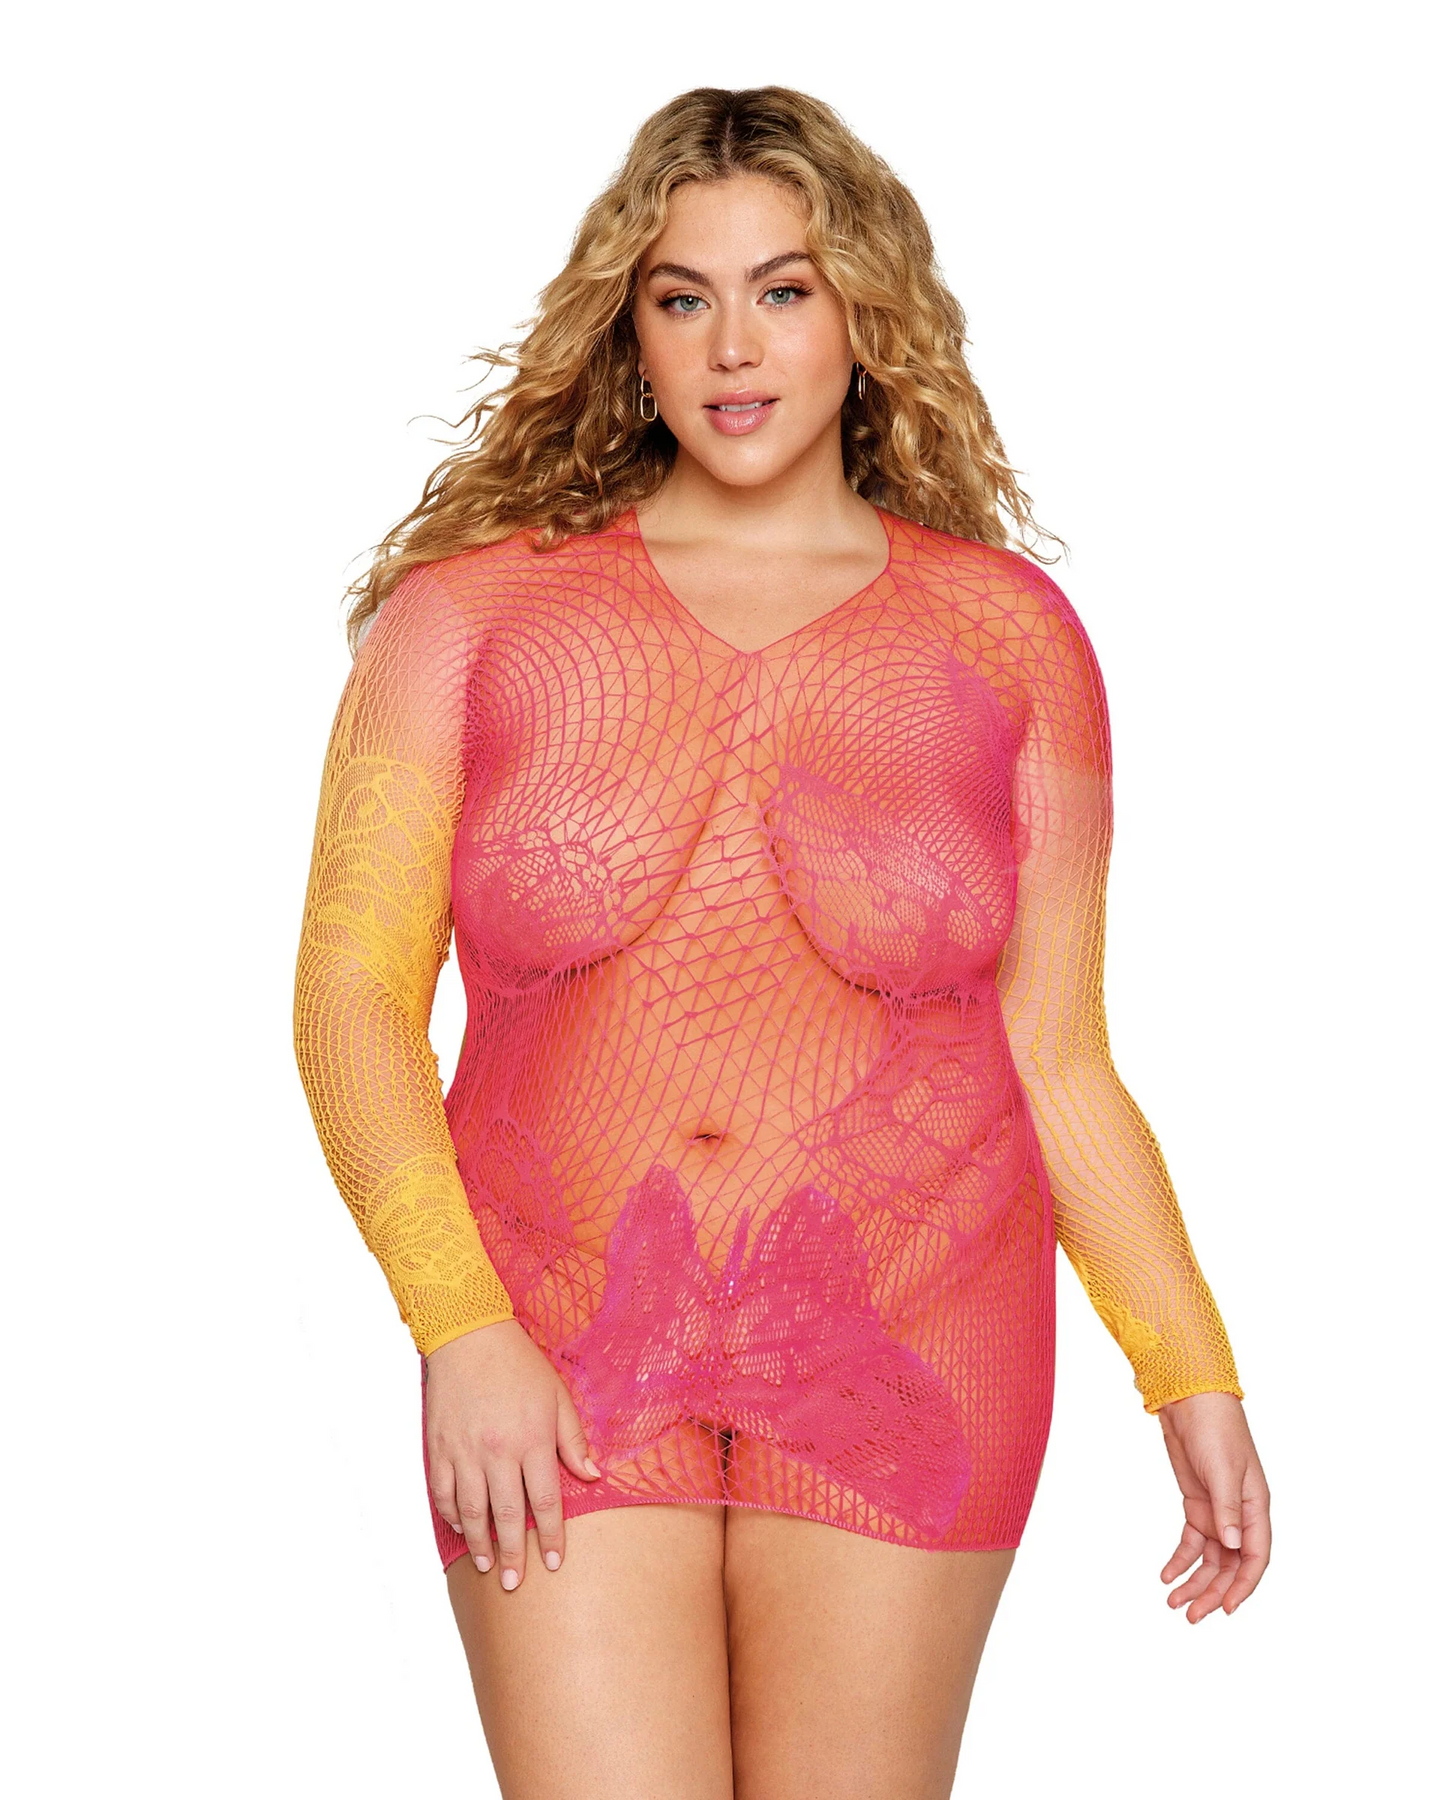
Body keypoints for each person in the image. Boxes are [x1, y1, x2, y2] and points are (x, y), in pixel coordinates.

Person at [293, 85, 1271, 1800]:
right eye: (683, 297)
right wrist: (457, 1325)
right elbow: (350, 1007)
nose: (732, 346)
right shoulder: (472, 615)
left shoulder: (1010, 636)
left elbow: (1057, 1053)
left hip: (923, 1317)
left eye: (784, 289)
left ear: (864, 314)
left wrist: (1187, 1364)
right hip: (550, 1330)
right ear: (630, 331)